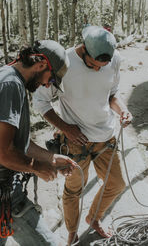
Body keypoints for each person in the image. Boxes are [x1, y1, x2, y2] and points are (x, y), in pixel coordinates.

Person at [33, 26, 133, 245]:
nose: (98, 70)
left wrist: (122, 111)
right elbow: (40, 101)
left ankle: (93, 218)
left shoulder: (114, 60)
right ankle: (72, 231)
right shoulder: (63, 64)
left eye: (102, 67)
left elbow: (112, 95)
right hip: (75, 142)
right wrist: (65, 127)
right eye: (93, 65)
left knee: (116, 184)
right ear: (83, 50)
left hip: (106, 136)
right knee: (74, 190)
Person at [0, 40, 77, 246]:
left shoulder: (9, 77)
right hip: (5, 195)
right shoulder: (10, 85)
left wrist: (51, 158)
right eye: (51, 79)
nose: (46, 84)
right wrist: (38, 168)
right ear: (42, 64)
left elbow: (19, 144)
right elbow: (4, 153)